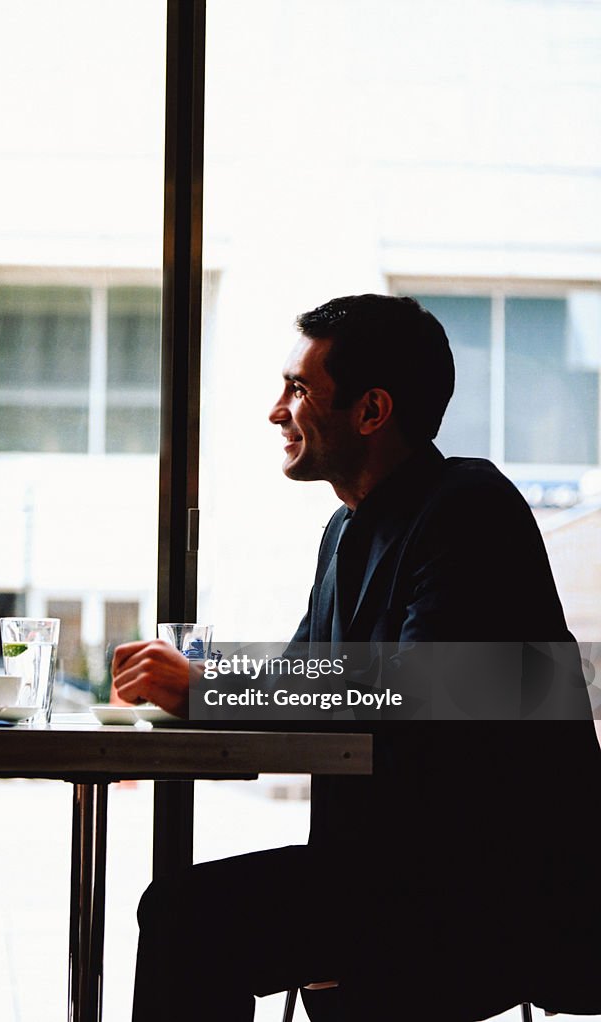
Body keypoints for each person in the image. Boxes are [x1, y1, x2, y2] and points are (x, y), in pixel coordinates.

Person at [112, 295, 601, 1022]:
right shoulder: (344, 530)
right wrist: (209, 683)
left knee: (188, 914)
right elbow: (302, 679)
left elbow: (424, 687)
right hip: (394, 874)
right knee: (190, 910)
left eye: (300, 389)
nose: (277, 411)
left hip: (493, 888)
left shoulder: (470, 503)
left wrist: (214, 691)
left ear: (372, 411)